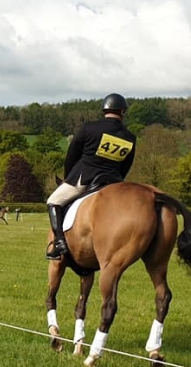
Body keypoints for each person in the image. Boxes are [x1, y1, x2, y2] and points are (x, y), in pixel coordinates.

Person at [45, 93, 137, 260]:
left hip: (85, 177)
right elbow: (126, 166)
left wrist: (68, 177)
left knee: (53, 201)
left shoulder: (90, 128)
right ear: (123, 111)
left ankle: (59, 242)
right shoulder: (130, 137)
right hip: (113, 183)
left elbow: (72, 154)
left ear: (104, 109)